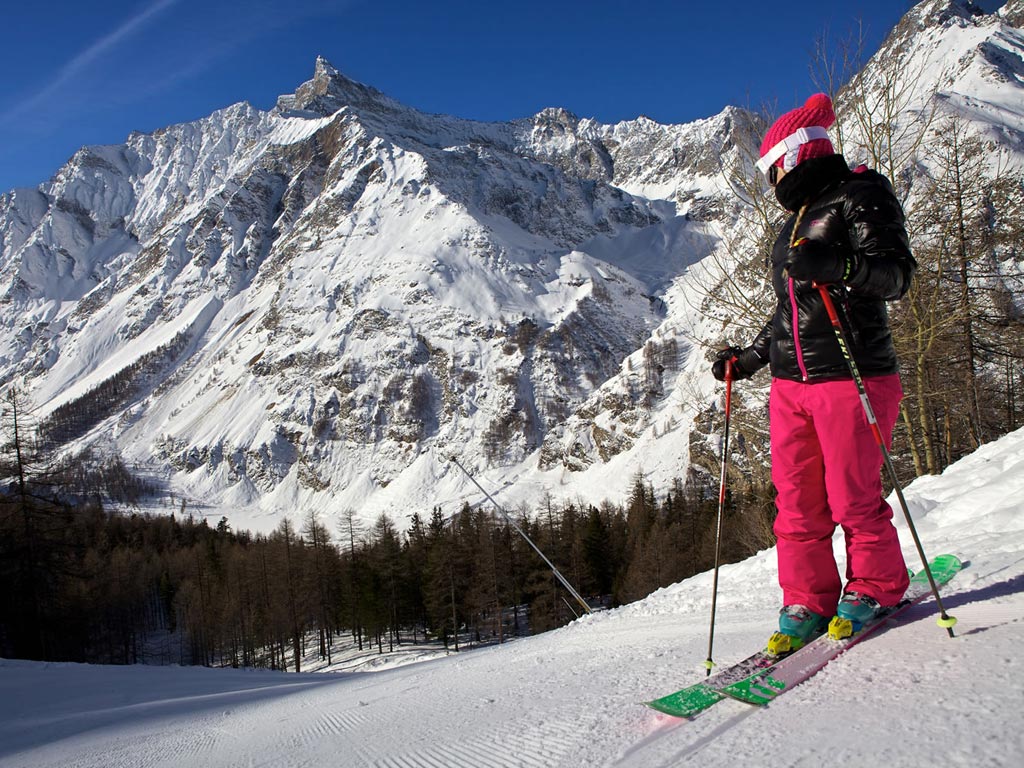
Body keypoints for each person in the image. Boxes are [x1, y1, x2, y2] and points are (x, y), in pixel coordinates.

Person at [711, 93, 916, 653]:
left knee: (853, 497)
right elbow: (792, 308)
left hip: (852, 376)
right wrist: (751, 357)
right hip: (791, 385)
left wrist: (841, 266)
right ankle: (808, 598)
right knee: (797, 501)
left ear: (796, 155)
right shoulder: (797, 220)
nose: (772, 177)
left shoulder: (860, 193)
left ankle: (878, 586)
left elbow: (896, 276)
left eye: (772, 165)